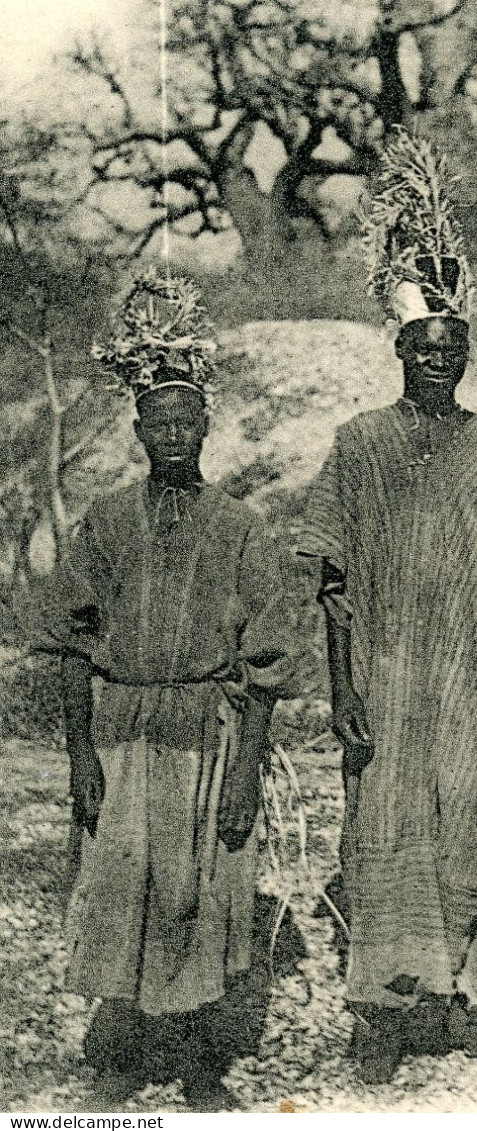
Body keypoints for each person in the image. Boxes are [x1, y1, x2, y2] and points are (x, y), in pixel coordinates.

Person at [294, 131, 477, 1083]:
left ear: (468, 351)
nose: (438, 361)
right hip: (386, 682)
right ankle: (385, 1011)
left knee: (470, 824)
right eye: (421, 346)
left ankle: (468, 996)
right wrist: (341, 692)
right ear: (399, 348)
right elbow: (332, 582)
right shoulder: (359, 444)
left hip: (471, 676)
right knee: (384, 834)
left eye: (453, 347)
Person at [41, 273, 295, 1110]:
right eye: (161, 421)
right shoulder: (107, 523)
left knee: (199, 894)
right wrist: (80, 756)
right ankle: (122, 1049)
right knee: (120, 887)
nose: (176, 433)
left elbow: (263, 668)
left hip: (206, 735)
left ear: (207, 426)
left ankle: (195, 1060)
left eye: (190, 420)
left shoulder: (242, 526)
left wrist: (247, 771)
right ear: (140, 429)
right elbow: (73, 648)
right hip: (122, 732)